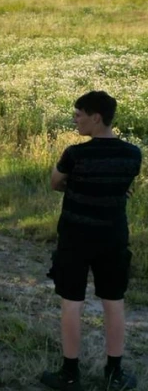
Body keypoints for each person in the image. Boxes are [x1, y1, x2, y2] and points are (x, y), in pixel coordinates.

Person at [41, 91, 142, 391]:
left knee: (72, 302)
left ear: (96, 117)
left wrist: (76, 187)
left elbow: (55, 182)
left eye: (79, 114)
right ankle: (114, 372)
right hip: (112, 236)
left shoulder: (75, 154)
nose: (75, 119)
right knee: (114, 301)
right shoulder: (133, 154)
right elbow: (121, 187)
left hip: (75, 236)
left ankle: (70, 373)